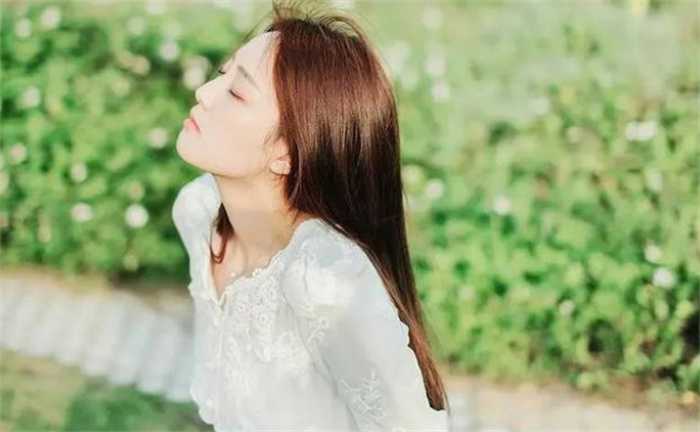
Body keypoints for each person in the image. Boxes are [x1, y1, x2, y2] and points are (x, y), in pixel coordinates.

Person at [171, 1, 451, 430]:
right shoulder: (199, 212)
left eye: (237, 93)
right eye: (222, 74)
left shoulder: (325, 281)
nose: (205, 93)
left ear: (288, 151)